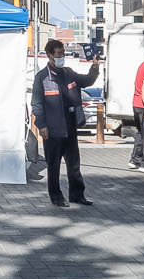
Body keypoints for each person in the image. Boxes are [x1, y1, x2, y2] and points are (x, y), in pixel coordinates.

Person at [33, 39, 96, 207]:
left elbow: (87, 81)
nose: (62, 56)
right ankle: (56, 197)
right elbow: (37, 104)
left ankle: (77, 195)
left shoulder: (69, 73)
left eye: (62, 53)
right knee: (53, 165)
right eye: (58, 54)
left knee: (74, 164)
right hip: (52, 129)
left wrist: (95, 67)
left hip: (70, 126)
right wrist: (42, 125)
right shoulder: (42, 77)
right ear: (49, 55)